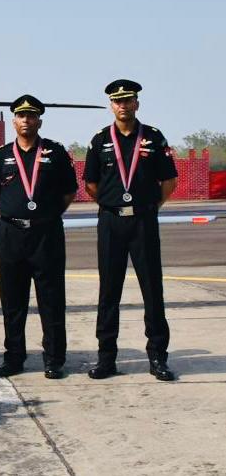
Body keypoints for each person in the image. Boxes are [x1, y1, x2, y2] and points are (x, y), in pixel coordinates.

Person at [84, 80, 178, 381]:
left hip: (143, 221)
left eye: (128, 100)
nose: (123, 105)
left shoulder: (152, 137)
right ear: (111, 105)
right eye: (117, 101)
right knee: (109, 291)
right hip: (111, 222)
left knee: (152, 288)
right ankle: (106, 358)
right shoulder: (99, 140)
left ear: (136, 103)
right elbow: (91, 184)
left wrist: (150, 208)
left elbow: (169, 181)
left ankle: (158, 358)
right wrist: (114, 206)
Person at [0, 95, 77, 379]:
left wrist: (44, 215)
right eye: (21, 116)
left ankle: (54, 359)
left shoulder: (55, 152)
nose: (26, 120)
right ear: (14, 121)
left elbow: (68, 192)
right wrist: (15, 214)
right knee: (13, 299)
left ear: (40, 120)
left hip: (46, 233)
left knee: (51, 298)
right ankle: (14, 357)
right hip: (12, 233)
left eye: (32, 115)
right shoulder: (0, 155)